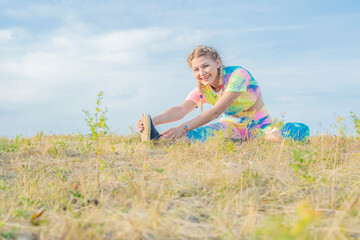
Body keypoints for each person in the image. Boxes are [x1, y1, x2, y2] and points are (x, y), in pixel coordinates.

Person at [137, 45, 310, 142]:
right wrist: (151, 122)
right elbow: (181, 110)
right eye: (196, 69)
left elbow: (215, 112)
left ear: (218, 63)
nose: (201, 72)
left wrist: (182, 126)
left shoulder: (238, 76)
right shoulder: (202, 89)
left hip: (259, 127)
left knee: (290, 135)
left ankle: (276, 134)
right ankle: (157, 142)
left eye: (205, 66)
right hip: (229, 127)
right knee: (185, 138)